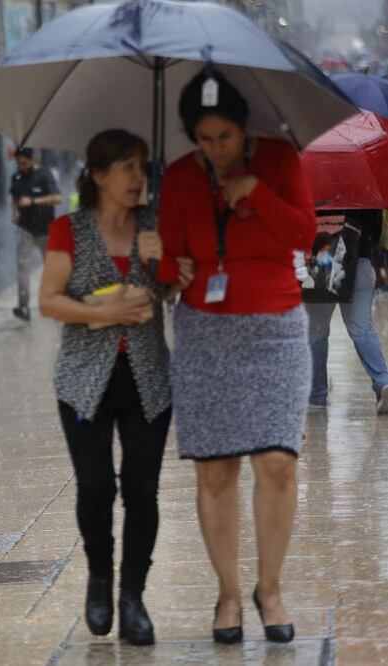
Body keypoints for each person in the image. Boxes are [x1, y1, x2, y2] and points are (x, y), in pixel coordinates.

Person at [159, 69, 316, 645]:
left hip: (275, 328)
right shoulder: (178, 178)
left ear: (243, 129)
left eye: (224, 136)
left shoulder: (279, 160)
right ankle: (228, 591)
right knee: (216, 467)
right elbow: (170, 259)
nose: (215, 149)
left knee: (278, 460)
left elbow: (303, 235)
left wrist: (256, 192)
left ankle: (268, 588)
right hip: (205, 331)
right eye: (204, 139)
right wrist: (166, 268)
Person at [39, 129, 190, 646]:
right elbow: (50, 301)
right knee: (97, 486)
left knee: (143, 491)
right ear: (98, 175)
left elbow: (172, 292)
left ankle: (134, 597)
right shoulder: (68, 230)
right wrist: (103, 311)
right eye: (126, 167)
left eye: (142, 167)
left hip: (148, 380)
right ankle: (100, 576)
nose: (137, 178)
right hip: (84, 382)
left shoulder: (154, 226)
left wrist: (163, 261)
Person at [305, 209, 388, 412]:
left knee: (316, 332)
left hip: (321, 266)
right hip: (359, 263)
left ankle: (316, 394)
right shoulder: (366, 192)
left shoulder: (315, 189)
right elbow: (375, 234)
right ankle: (382, 383)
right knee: (362, 328)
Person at [11, 147, 62, 320]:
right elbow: (14, 197)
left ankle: (56, 302)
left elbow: (57, 198)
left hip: (45, 229)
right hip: (25, 229)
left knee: (51, 268)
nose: (21, 167)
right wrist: (15, 212)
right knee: (23, 268)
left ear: (33, 159)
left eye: (24, 163)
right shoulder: (16, 177)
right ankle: (23, 306)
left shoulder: (45, 175)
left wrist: (33, 201)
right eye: (18, 164)